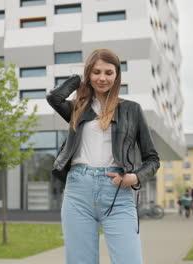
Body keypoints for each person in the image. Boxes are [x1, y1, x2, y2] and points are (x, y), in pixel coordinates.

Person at [47, 49, 160, 264]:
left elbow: (152, 159)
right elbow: (54, 97)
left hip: (118, 192)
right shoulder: (77, 108)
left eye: (109, 72)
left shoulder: (131, 110)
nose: (102, 78)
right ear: (89, 74)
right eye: (96, 72)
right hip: (78, 192)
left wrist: (134, 178)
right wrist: (78, 79)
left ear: (117, 76)